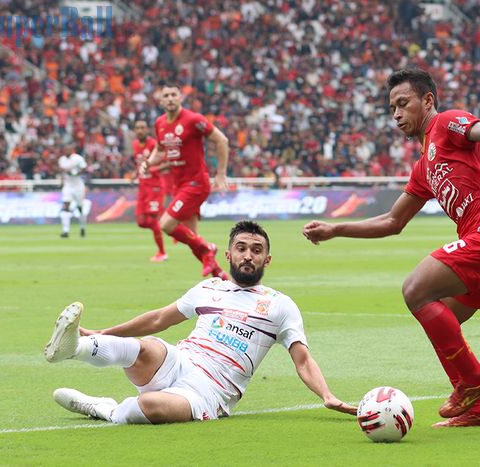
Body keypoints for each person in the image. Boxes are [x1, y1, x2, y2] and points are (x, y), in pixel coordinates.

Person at [303, 68, 480, 428]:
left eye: (403, 103)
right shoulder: (424, 166)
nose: (397, 114)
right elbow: (392, 222)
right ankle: (477, 410)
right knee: (442, 321)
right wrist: (337, 229)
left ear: (427, 101)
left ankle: (475, 379)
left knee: (415, 289)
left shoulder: (447, 124)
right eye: (392, 108)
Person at [44, 220, 357, 424]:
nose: (248, 255)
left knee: (150, 406)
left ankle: (105, 409)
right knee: (147, 347)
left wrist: (327, 395)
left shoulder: (280, 305)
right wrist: (103, 331)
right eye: (242, 248)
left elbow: (303, 360)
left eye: (257, 250)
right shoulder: (209, 288)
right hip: (180, 360)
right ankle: (76, 346)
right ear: (228, 255)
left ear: (267, 260)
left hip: (210, 391)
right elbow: (158, 319)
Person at [142, 83, 229, 278]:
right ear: (161, 100)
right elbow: (160, 149)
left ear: (180, 97)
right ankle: (220, 276)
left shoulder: (193, 120)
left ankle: (208, 248)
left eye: (174, 94)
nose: (170, 98)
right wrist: (148, 162)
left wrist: (221, 173)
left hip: (196, 183)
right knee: (191, 238)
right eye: (166, 95)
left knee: (166, 225)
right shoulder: (160, 123)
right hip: (178, 185)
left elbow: (221, 140)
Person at [131, 119, 167, 262]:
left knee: (152, 220)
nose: (140, 130)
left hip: (155, 187)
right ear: (134, 130)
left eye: (143, 127)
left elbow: (166, 164)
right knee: (141, 221)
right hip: (143, 187)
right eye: (138, 128)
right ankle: (169, 221)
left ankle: (162, 252)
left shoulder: (153, 144)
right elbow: (140, 164)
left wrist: (150, 169)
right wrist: (136, 173)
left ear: (147, 130)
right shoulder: (135, 145)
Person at [58, 146, 88, 238]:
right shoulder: (62, 160)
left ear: (72, 150)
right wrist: (61, 182)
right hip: (68, 185)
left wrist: (76, 173)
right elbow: (62, 172)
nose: (66, 151)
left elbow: (85, 169)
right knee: (66, 205)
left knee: (80, 207)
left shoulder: (78, 158)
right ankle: (65, 231)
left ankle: (82, 227)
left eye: (68, 149)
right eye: (65, 149)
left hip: (78, 185)